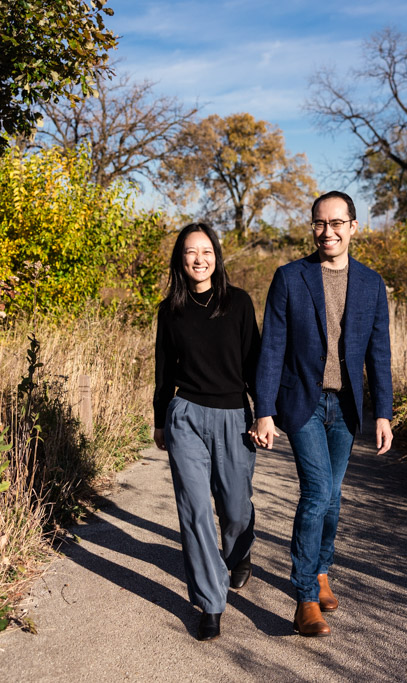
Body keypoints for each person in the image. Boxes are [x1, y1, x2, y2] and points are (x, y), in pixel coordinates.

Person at [251, 190, 393, 637]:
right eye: (319, 223)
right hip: (303, 405)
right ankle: (305, 598)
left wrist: (383, 413)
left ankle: (322, 569)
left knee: (333, 496)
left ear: (353, 226)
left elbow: (380, 354)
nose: (326, 232)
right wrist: (264, 411)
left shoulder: (371, 283)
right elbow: (271, 348)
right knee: (316, 493)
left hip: (346, 406)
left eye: (336, 223)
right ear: (312, 226)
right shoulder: (290, 278)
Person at [153, 222, 261, 642]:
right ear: (180, 261)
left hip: (233, 415)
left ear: (217, 256)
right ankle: (210, 603)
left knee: (234, 508)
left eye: (206, 251)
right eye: (190, 253)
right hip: (186, 417)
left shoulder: (239, 303)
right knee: (194, 511)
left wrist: (262, 414)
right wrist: (161, 419)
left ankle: (240, 551)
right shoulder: (170, 310)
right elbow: (163, 371)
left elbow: (254, 364)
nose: (199, 259)